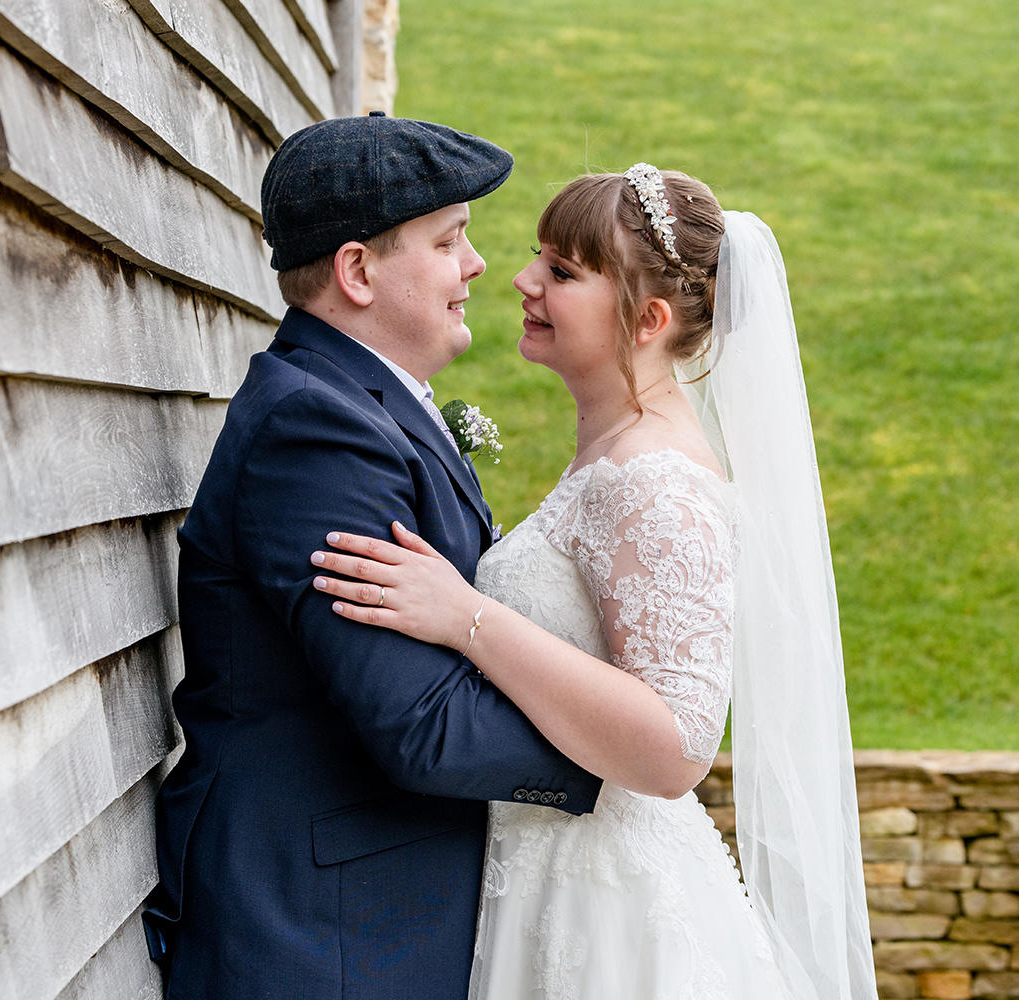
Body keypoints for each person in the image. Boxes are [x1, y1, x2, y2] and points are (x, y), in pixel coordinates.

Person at [311, 165, 877, 999]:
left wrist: (468, 618)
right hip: (546, 880)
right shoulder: (611, 457)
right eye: (540, 257)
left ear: (646, 320)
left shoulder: (653, 482)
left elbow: (678, 744)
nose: (521, 280)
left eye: (564, 273)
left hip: (609, 915)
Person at [142, 113, 603, 1000]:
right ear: (358, 271)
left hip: (370, 912)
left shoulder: (358, 404)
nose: (476, 267)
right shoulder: (313, 434)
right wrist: (619, 754)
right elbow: (421, 725)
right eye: (448, 240)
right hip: (326, 934)